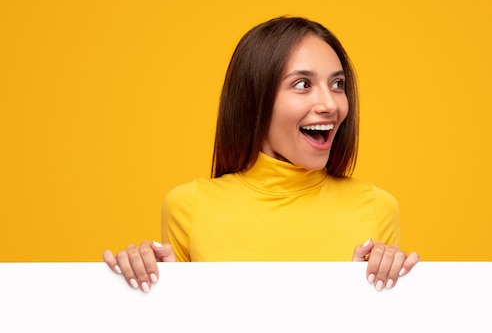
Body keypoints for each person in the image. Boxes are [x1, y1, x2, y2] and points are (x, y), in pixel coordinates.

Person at [103, 17, 419, 292]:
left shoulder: (378, 208)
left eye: (337, 84)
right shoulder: (188, 207)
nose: (331, 104)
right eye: (303, 84)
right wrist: (146, 289)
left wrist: (374, 294)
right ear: (256, 99)